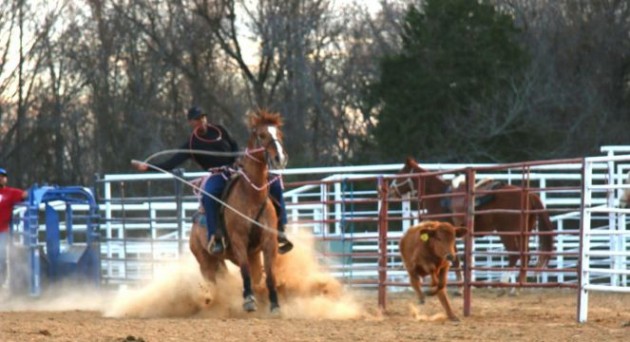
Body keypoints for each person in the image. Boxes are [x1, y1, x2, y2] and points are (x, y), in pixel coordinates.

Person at [132, 106, 293, 255]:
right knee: (209, 196)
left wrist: (236, 159)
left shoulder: (219, 130)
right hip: (218, 175)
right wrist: (148, 167)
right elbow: (171, 163)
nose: (202, 121)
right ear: (191, 123)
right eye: (197, 119)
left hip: (238, 168)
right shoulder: (191, 144)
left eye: (203, 117)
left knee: (275, 184)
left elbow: (234, 144)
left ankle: (280, 228)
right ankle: (215, 236)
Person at [0, 168, 28, 286]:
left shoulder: (10, 192)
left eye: (3, 176)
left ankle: (1, 285)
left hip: (2, 231)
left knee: (1, 258)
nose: (1, 178)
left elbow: (25, 195)